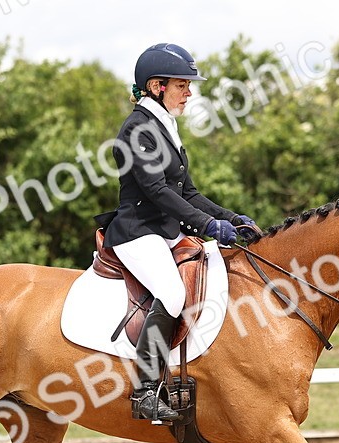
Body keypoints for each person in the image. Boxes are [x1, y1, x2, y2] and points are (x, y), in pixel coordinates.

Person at [102, 43, 260, 423]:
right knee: (172, 294)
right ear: (157, 86)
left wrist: (229, 218)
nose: (189, 93)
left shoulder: (165, 126)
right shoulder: (137, 129)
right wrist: (207, 226)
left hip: (164, 231)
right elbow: (157, 191)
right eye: (182, 85)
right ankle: (145, 391)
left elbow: (188, 192)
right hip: (138, 232)